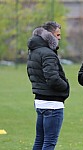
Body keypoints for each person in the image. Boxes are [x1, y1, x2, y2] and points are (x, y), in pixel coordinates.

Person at [27, 21, 70, 150]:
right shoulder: (48, 53)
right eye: (57, 34)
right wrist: (66, 86)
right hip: (52, 103)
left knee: (39, 140)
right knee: (49, 142)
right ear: (49, 35)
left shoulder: (34, 51)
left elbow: (31, 74)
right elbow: (53, 79)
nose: (59, 38)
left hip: (40, 101)